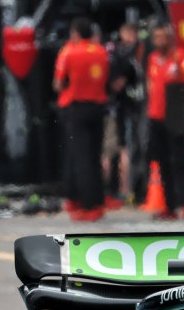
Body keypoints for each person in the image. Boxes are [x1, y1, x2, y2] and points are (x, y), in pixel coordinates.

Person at [53, 17, 109, 221]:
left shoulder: (69, 51)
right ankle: (97, 202)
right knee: (94, 155)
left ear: (75, 33)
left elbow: (58, 84)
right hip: (98, 106)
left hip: (76, 107)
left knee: (81, 158)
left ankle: (87, 205)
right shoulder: (101, 51)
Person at [147, 21, 184, 220]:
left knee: (179, 161)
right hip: (155, 115)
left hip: (174, 110)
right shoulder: (152, 58)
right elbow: (150, 82)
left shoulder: (181, 57)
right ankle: (169, 205)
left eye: (163, 37)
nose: (160, 41)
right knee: (163, 161)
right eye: (157, 37)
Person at [109, 22, 145, 204]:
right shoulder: (124, 55)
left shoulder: (130, 53)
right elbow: (118, 84)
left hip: (133, 107)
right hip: (127, 107)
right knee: (126, 148)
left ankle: (127, 189)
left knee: (128, 148)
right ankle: (126, 189)